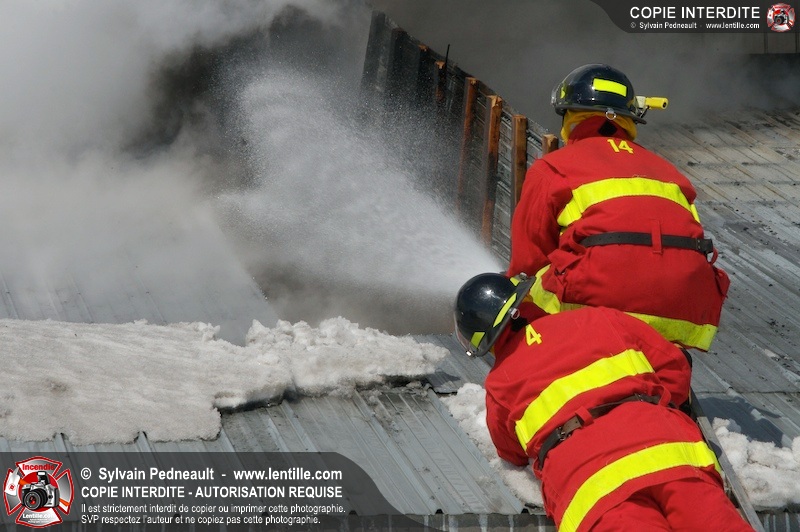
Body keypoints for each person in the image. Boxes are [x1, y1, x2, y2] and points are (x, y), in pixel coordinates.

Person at [453, 272, 754, 532]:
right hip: (667, 452)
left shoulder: (499, 385)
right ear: (525, 298)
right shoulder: (600, 317)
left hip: (592, 485)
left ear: (484, 342)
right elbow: (675, 368)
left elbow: (511, 453)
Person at [507, 64, 729, 351]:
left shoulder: (553, 168)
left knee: (521, 288)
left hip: (600, 309)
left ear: (570, 116)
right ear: (629, 120)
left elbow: (529, 260)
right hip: (685, 312)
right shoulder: (670, 172)